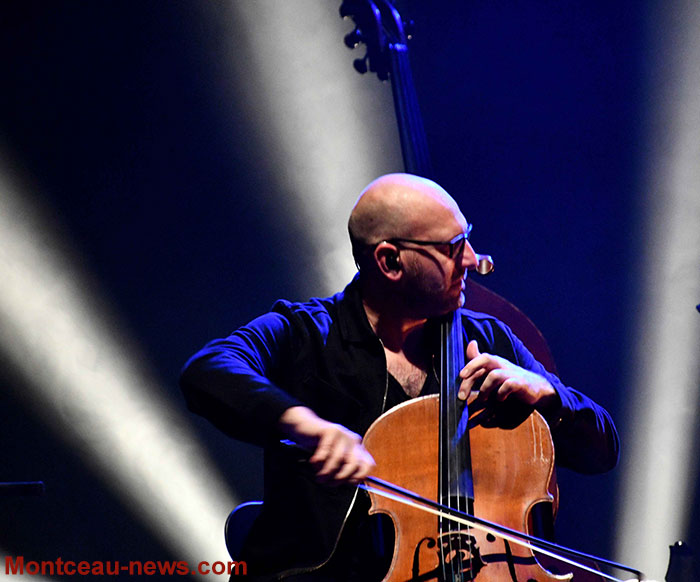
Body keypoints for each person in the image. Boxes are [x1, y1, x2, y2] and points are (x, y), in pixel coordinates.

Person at [180, 173, 619, 581]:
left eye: (467, 240)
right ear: (390, 261)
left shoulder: (487, 339)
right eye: (451, 248)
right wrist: (305, 426)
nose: (471, 259)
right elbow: (210, 369)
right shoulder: (305, 335)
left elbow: (602, 451)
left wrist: (549, 398)